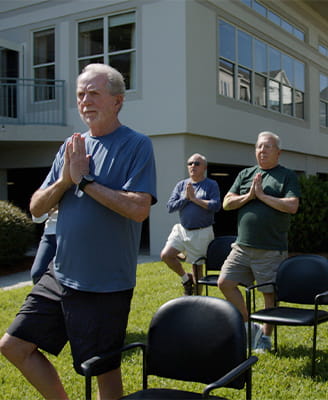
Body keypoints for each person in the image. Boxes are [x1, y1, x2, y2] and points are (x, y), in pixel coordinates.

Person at [0, 63, 157, 400]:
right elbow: (36, 208)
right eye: (80, 94)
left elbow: (139, 209)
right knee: (13, 346)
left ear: (117, 101)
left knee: (103, 372)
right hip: (61, 274)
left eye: (93, 93)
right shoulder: (71, 147)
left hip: (105, 284)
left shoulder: (136, 145)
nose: (85, 100)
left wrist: (86, 182)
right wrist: (65, 179)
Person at [218, 131, 300, 352]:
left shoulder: (286, 176)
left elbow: (292, 205)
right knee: (224, 282)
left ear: (278, 152)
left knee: (268, 294)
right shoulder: (246, 174)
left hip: (270, 249)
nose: (262, 150)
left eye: (267, 147)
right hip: (242, 246)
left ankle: (265, 337)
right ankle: (248, 323)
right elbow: (227, 203)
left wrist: (263, 196)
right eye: (259, 147)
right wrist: (249, 196)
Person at [161, 153, 221, 295]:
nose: (193, 166)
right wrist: (185, 198)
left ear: (204, 167)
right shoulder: (181, 185)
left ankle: (196, 298)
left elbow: (216, 205)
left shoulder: (211, 185)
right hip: (182, 229)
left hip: (202, 231)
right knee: (166, 255)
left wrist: (194, 199)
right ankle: (186, 278)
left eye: (197, 163)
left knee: (197, 268)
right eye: (190, 163)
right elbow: (170, 206)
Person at [31, 207, 58, 284]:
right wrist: (53, 209)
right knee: (37, 274)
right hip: (50, 235)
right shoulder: (48, 194)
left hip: (72, 235)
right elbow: (37, 218)